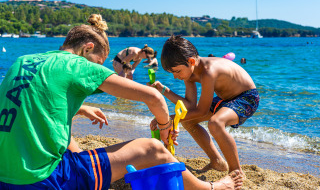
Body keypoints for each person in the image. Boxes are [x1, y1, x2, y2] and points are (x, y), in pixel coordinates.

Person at [0, 16, 243, 190]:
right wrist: (165, 126)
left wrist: (81, 107)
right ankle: (212, 187)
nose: (98, 68)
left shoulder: (22, 61)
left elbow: (30, 102)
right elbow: (155, 97)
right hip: (43, 179)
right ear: (88, 48)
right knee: (153, 149)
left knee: (64, 128)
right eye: (99, 62)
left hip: (5, 176)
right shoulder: (77, 64)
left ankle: (88, 168)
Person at [149, 35, 259, 178]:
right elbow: (190, 105)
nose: (175, 77)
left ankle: (236, 171)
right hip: (224, 99)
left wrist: (170, 119)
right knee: (189, 121)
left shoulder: (208, 71)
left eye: (177, 71)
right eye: (173, 73)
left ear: (191, 61)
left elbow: (201, 110)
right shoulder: (189, 73)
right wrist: (164, 91)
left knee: (216, 123)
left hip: (247, 97)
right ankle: (217, 161)